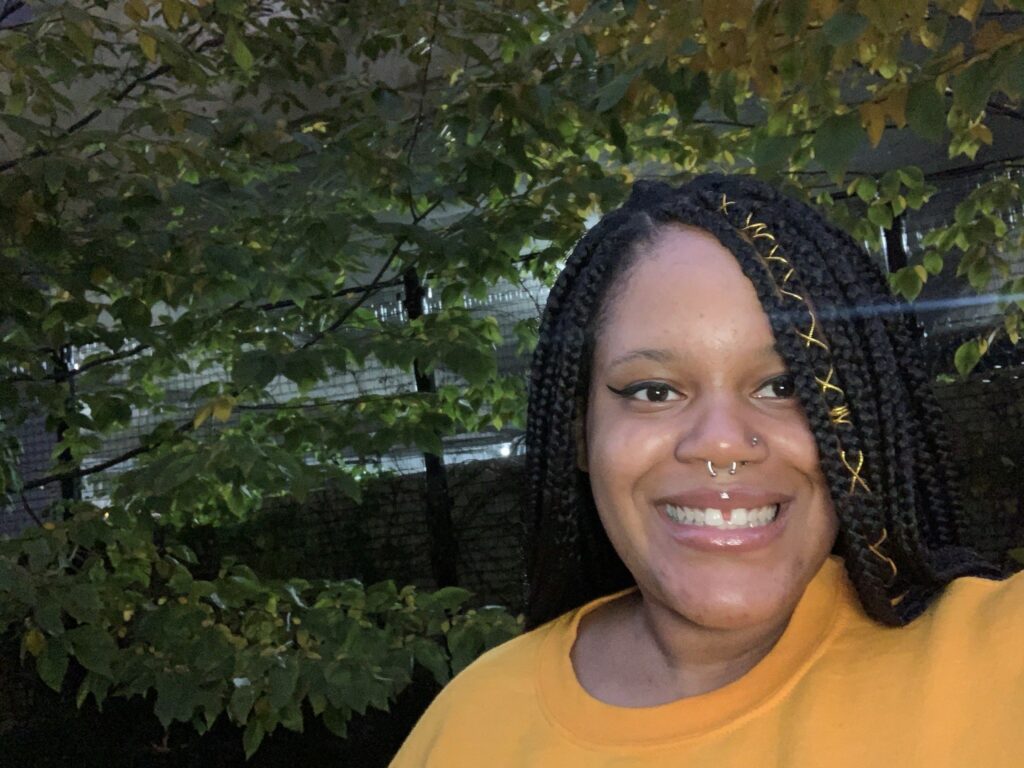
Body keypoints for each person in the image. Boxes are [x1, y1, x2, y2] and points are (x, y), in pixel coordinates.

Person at [389, 175, 1024, 766]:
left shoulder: (999, 660)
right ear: (580, 434)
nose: (721, 444)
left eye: (781, 385)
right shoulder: (472, 727)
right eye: (654, 390)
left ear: (856, 419)